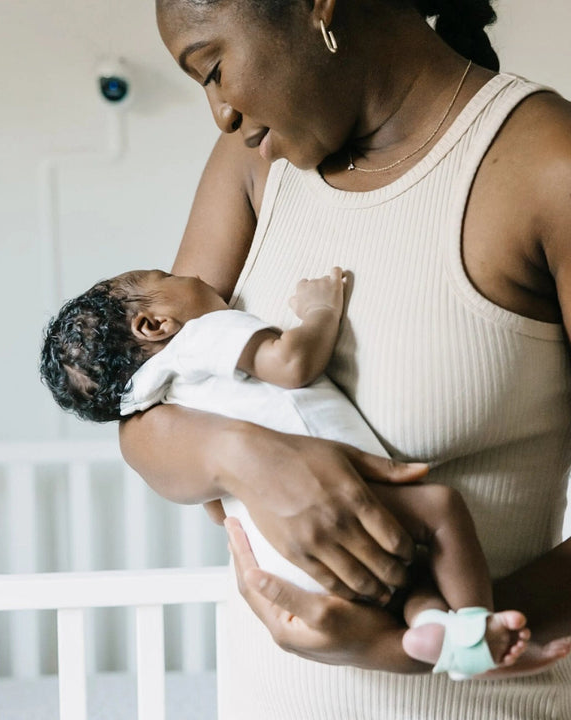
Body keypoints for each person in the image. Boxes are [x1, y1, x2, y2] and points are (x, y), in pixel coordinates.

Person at [118, 0, 571, 717]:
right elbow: (147, 414)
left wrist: (416, 637)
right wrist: (244, 457)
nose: (222, 115)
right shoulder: (251, 166)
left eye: (213, 68)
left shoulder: (548, 165)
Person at [40, 267, 530, 676]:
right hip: (343, 514)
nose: (189, 272)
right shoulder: (201, 336)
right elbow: (292, 362)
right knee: (441, 508)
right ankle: (476, 630)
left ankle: (432, 630)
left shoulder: (157, 395)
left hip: (287, 563)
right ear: (154, 325)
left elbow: (210, 501)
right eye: (167, 275)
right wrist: (321, 310)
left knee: (414, 581)